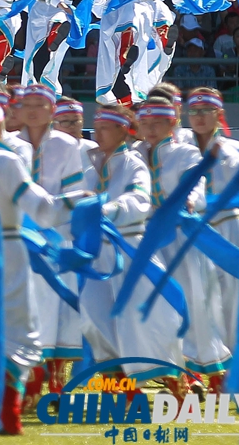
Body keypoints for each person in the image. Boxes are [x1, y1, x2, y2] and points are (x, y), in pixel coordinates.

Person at [0, 96, 85, 434]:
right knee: (23, 330)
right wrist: (81, 201)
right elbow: (42, 210)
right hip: (7, 246)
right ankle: (8, 413)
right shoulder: (7, 161)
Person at [80, 105, 185, 401]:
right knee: (93, 313)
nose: (97, 132)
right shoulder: (90, 169)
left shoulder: (134, 164)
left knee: (140, 319)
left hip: (130, 248)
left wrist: (107, 208)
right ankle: (124, 386)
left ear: (122, 131)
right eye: (96, 126)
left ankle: (173, 378)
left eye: (104, 127)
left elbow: (139, 199)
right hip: (98, 253)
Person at [133, 99, 229, 400]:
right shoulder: (133, 154)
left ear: (172, 122)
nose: (149, 129)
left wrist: (190, 200)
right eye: (145, 123)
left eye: (157, 123)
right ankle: (175, 373)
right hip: (146, 240)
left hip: (179, 238)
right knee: (154, 309)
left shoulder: (184, 152)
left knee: (192, 305)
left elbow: (197, 184)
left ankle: (210, 373)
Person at [15, 84, 86, 399]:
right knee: (24, 308)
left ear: (51, 110)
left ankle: (56, 382)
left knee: (57, 310)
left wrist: (50, 217)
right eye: (26, 103)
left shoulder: (67, 146)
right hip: (18, 239)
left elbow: (75, 192)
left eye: (39, 104)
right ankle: (27, 379)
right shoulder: (9, 145)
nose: (32, 110)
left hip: (55, 238)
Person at [186, 88, 239, 366]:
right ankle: (204, 366)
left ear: (219, 114)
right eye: (193, 111)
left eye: (206, 111)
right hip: (194, 233)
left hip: (229, 229)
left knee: (235, 298)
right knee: (199, 301)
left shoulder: (234, 149)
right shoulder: (181, 149)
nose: (199, 117)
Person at [52, 97, 98, 169]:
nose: (72, 126)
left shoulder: (93, 149)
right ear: (53, 124)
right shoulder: (44, 151)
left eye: (76, 121)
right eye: (65, 121)